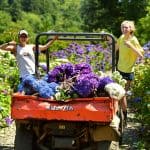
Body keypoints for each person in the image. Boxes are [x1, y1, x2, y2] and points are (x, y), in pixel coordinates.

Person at [116, 20, 144, 123]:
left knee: (122, 94)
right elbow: (115, 48)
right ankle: (119, 114)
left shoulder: (134, 40)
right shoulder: (121, 38)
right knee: (117, 93)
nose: (124, 29)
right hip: (119, 70)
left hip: (128, 71)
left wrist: (130, 45)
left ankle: (124, 116)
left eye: (126, 27)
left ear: (131, 29)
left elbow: (141, 55)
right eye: (123, 27)